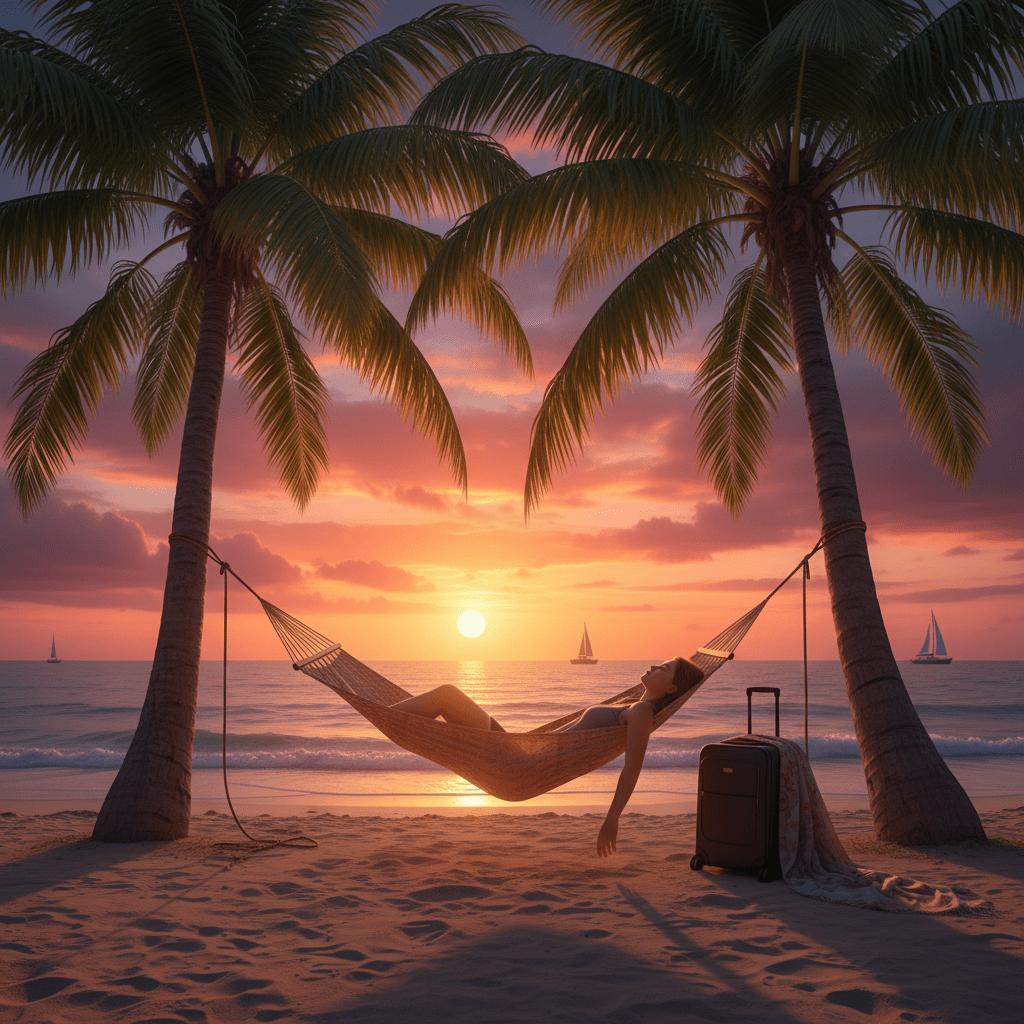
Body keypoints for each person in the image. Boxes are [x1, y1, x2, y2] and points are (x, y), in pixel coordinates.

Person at [390, 656, 703, 857]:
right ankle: (392, 719)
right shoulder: (631, 702)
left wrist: (612, 818)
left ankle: (388, 718)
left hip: (518, 764)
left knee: (448, 695)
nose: (653, 666)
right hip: (517, 750)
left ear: (673, 686)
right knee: (448, 699)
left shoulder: (642, 711)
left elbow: (632, 767)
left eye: (664, 669)